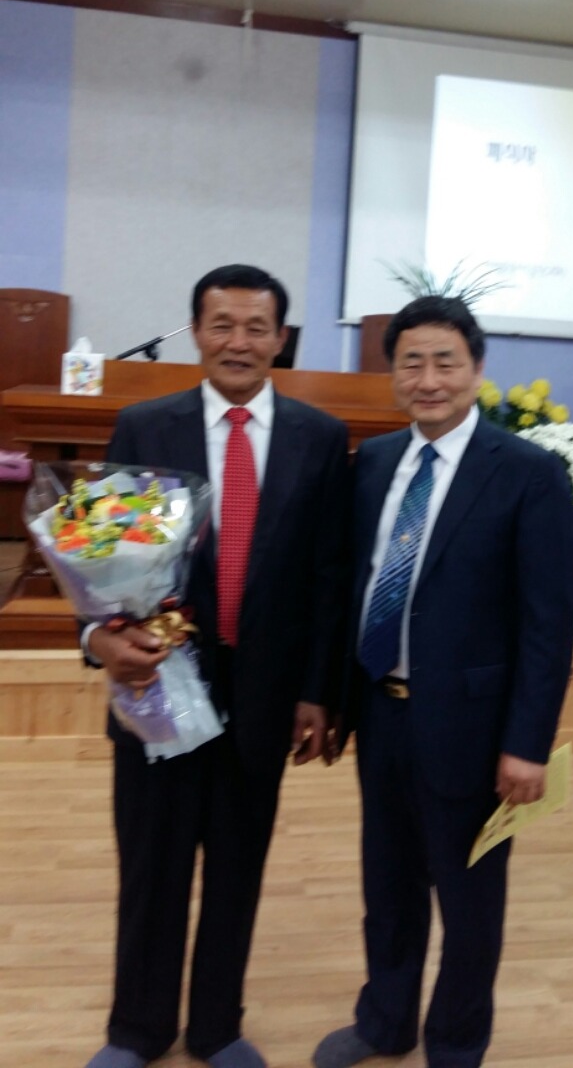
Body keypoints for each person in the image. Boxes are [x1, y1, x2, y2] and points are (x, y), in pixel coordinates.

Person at [82, 264, 348, 1068]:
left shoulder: (318, 437)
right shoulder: (144, 426)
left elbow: (330, 576)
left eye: (256, 327)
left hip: (264, 694)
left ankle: (217, 1028)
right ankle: (137, 1030)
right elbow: (99, 557)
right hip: (161, 685)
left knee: (238, 867)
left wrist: (318, 691)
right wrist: (98, 639)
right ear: (197, 331)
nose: (239, 341)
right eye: (222, 324)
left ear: (281, 338)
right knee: (152, 865)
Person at [314, 295, 573, 1068]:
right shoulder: (375, 464)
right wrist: (333, 700)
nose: (428, 380)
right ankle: (384, 1022)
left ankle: (457, 1045)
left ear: (476, 368)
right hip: (382, 713)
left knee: (468, 903)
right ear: (392, 373)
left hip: (474, 728)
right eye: (412, 364)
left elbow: (547, 626)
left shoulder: (527, 473)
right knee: (388, 886)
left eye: (445, 362)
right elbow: (353, 586)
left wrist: (527, 744)